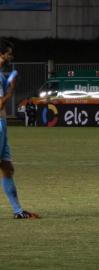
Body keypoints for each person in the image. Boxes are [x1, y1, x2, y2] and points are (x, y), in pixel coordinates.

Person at [0, 39, 39, 219]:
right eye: (8, 53)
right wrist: (12, 89)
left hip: (2, 125)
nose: (11, 56)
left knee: (7, 168)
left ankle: (18, 211)